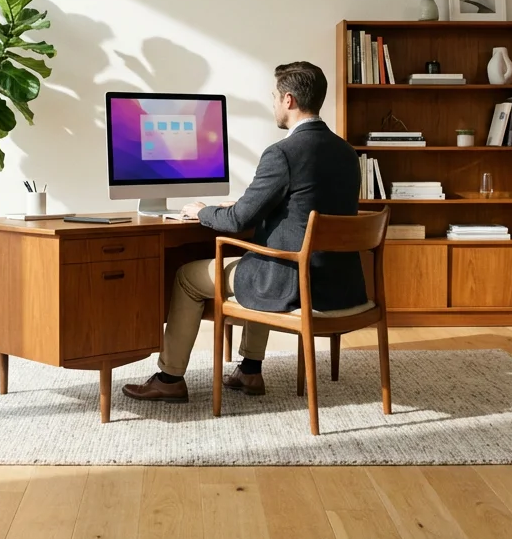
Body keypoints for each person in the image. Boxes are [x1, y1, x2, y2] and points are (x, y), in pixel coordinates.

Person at [122, 61, 366, 403]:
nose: (274, 103)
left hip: (292, 283)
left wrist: (202, 211)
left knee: (187, 277)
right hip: (338, 285)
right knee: (260, 256)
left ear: (289, 100)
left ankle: (169, 378)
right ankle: (250, 370)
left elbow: (238, 221)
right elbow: (305, 205)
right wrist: (248, 204)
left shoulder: (283, 153)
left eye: (275, 96)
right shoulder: (346, 152)